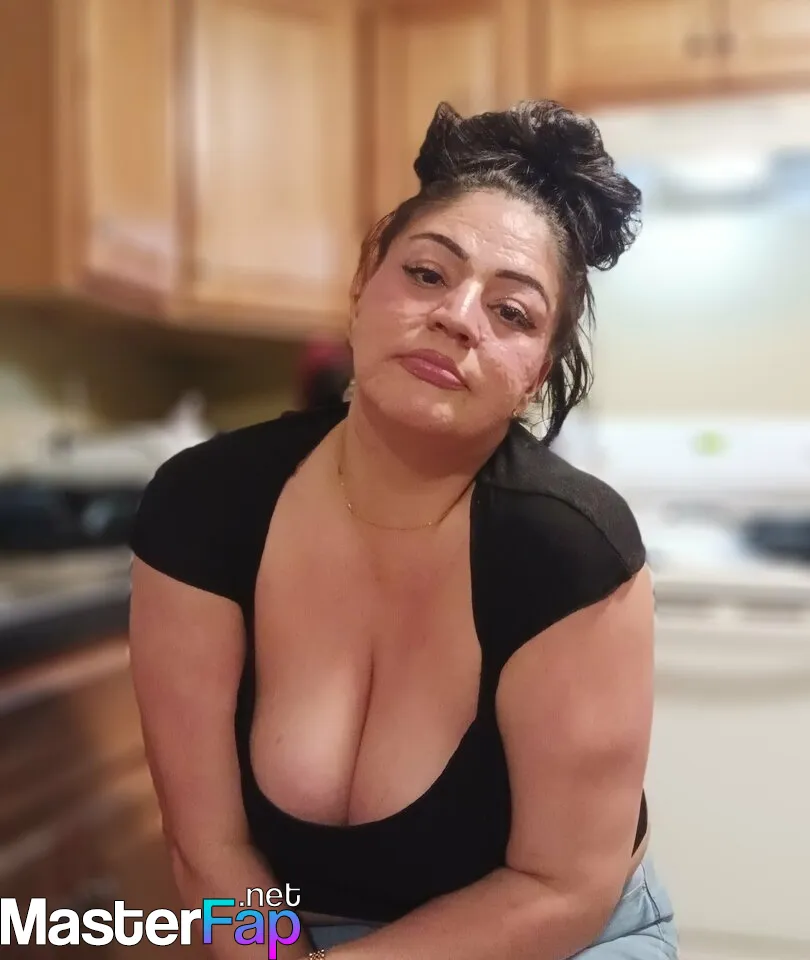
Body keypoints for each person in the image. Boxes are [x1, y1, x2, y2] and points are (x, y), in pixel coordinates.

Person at [128, 100, 677, 959]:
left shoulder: (574, 550)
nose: (459, 316)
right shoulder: (202, 507)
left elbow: (560, 887)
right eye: (427, 274)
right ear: (364, 283)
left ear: (537, 374)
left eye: (513, 313)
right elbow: (208, 850)